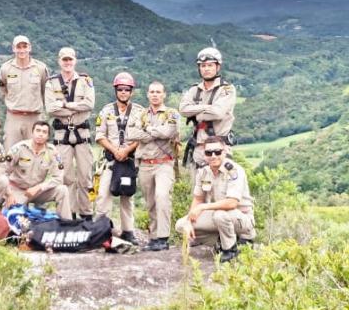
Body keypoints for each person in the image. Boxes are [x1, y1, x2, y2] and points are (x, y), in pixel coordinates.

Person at [175, 136, 256, 262]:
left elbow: (232, 203)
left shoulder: (234, 171)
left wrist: (203, 207)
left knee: (220, 215)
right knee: (181, 225)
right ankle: (219, 240)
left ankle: (230, 249)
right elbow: (198, 199)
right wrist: (190, 220)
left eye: (217, 152)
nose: (213, 156)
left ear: (224, 152)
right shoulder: (203, 172)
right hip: (218, 215)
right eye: (209, 152)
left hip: (241, 218)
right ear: (204, 154)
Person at [126, 81, 180, 251]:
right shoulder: (140, 114)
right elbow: (130, 133)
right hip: (145, 164)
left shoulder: (172, 113)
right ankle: (154, 237)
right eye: (152, 92)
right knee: (150, 202)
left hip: (164, 163)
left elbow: (168, 132)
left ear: (164, 94)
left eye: (158, 91)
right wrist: (155, 132)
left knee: (162, 196)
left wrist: (147, 130)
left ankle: (163, 238)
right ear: (147, 94)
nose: (155, 94)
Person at [44, 47, 95, 219]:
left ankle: (87, 213)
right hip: (61, 135)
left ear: (75, 61)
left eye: (70, 59)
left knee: (85, 176)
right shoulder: (51, 83)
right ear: (59, 61)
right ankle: (70, 213)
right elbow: (51, 109)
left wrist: (65, 105)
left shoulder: (85, 81)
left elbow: (89, 104)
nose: (67, 63)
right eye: (64, 60)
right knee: (65, 177)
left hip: (82, 133)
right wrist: (75, 107)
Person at [94, 72, 145, 244]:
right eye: (120, 89)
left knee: (127, 196)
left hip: (129, 161)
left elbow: (143, 136)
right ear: (116, 90)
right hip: (111, 160)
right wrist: (115, 150)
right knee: (103, 194)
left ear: (131, 91)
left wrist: (127, 150)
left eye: (127, 89)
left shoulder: (139, 112)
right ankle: (101, 230)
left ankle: (128, 231)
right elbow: (100, 135)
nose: (123, 92)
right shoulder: (106, 111)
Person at [179, 47, 236, 171]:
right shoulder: (195, 90)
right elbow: (183, 109)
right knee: (198, 188)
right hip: (199, 149)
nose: (206, 69)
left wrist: (197, 114)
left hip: (219, 148)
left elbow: (217, 112)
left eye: (210, 65)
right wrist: (206, 107)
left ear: (217, 67)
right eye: (203, 66)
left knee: (220, 187)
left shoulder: (226, 89)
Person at [4, 120, 72, 219]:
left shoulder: (52, 152)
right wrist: (9, 194)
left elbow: (58, 178)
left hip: (38, 191)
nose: (40, 134)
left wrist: (39, 187)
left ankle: (67, 225)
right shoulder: (19, 148)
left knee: (62, 190)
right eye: (38, 131)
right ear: (32, 133)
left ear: (48, 136)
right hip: (18, 190)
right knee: (11, 216)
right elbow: (3, 171)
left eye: (44, 132)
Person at [0, 35, 49, 150]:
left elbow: (45, 91)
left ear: (30, 48)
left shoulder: (40, 68)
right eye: (18, 47)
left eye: (24, 47)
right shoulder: (5, 69)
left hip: (34, 118)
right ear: (13, 48)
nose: (22, 50)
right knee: (10, 154)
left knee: (36, 153)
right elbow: (2, 91)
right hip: (13, 118)